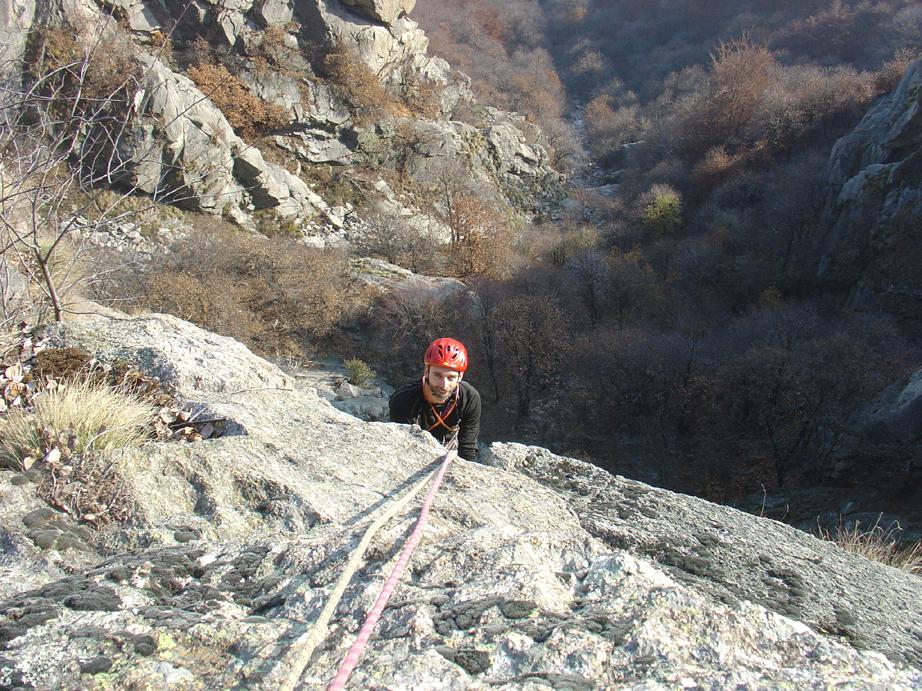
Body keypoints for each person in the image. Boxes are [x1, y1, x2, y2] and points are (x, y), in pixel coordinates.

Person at [389, 337, 481, 462]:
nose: (444, 385)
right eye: (438, 375)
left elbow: (468, 448)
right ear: (426, 371)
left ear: (460, 377)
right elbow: (402, 448)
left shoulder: (469, 398)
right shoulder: (403, 401)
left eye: (451, 377)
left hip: (450, 454)